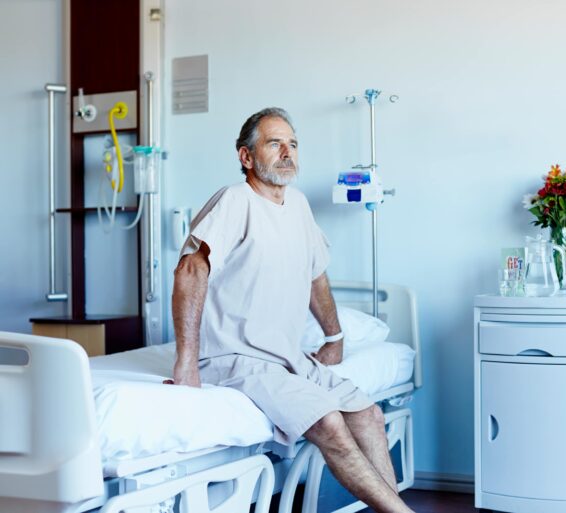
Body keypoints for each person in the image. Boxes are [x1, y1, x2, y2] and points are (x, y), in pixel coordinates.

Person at [169, 107, 415, 513]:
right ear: (246, 157)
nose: (287, 152)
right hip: (236, 357)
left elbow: (315, 275)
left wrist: (334, 338)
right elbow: (190, 269)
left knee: (368, 415)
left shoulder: (298, 205)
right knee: (329, 422)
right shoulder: (236, 200)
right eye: (274, 143)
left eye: (293, 144)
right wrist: (186, 363)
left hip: (286, 357)